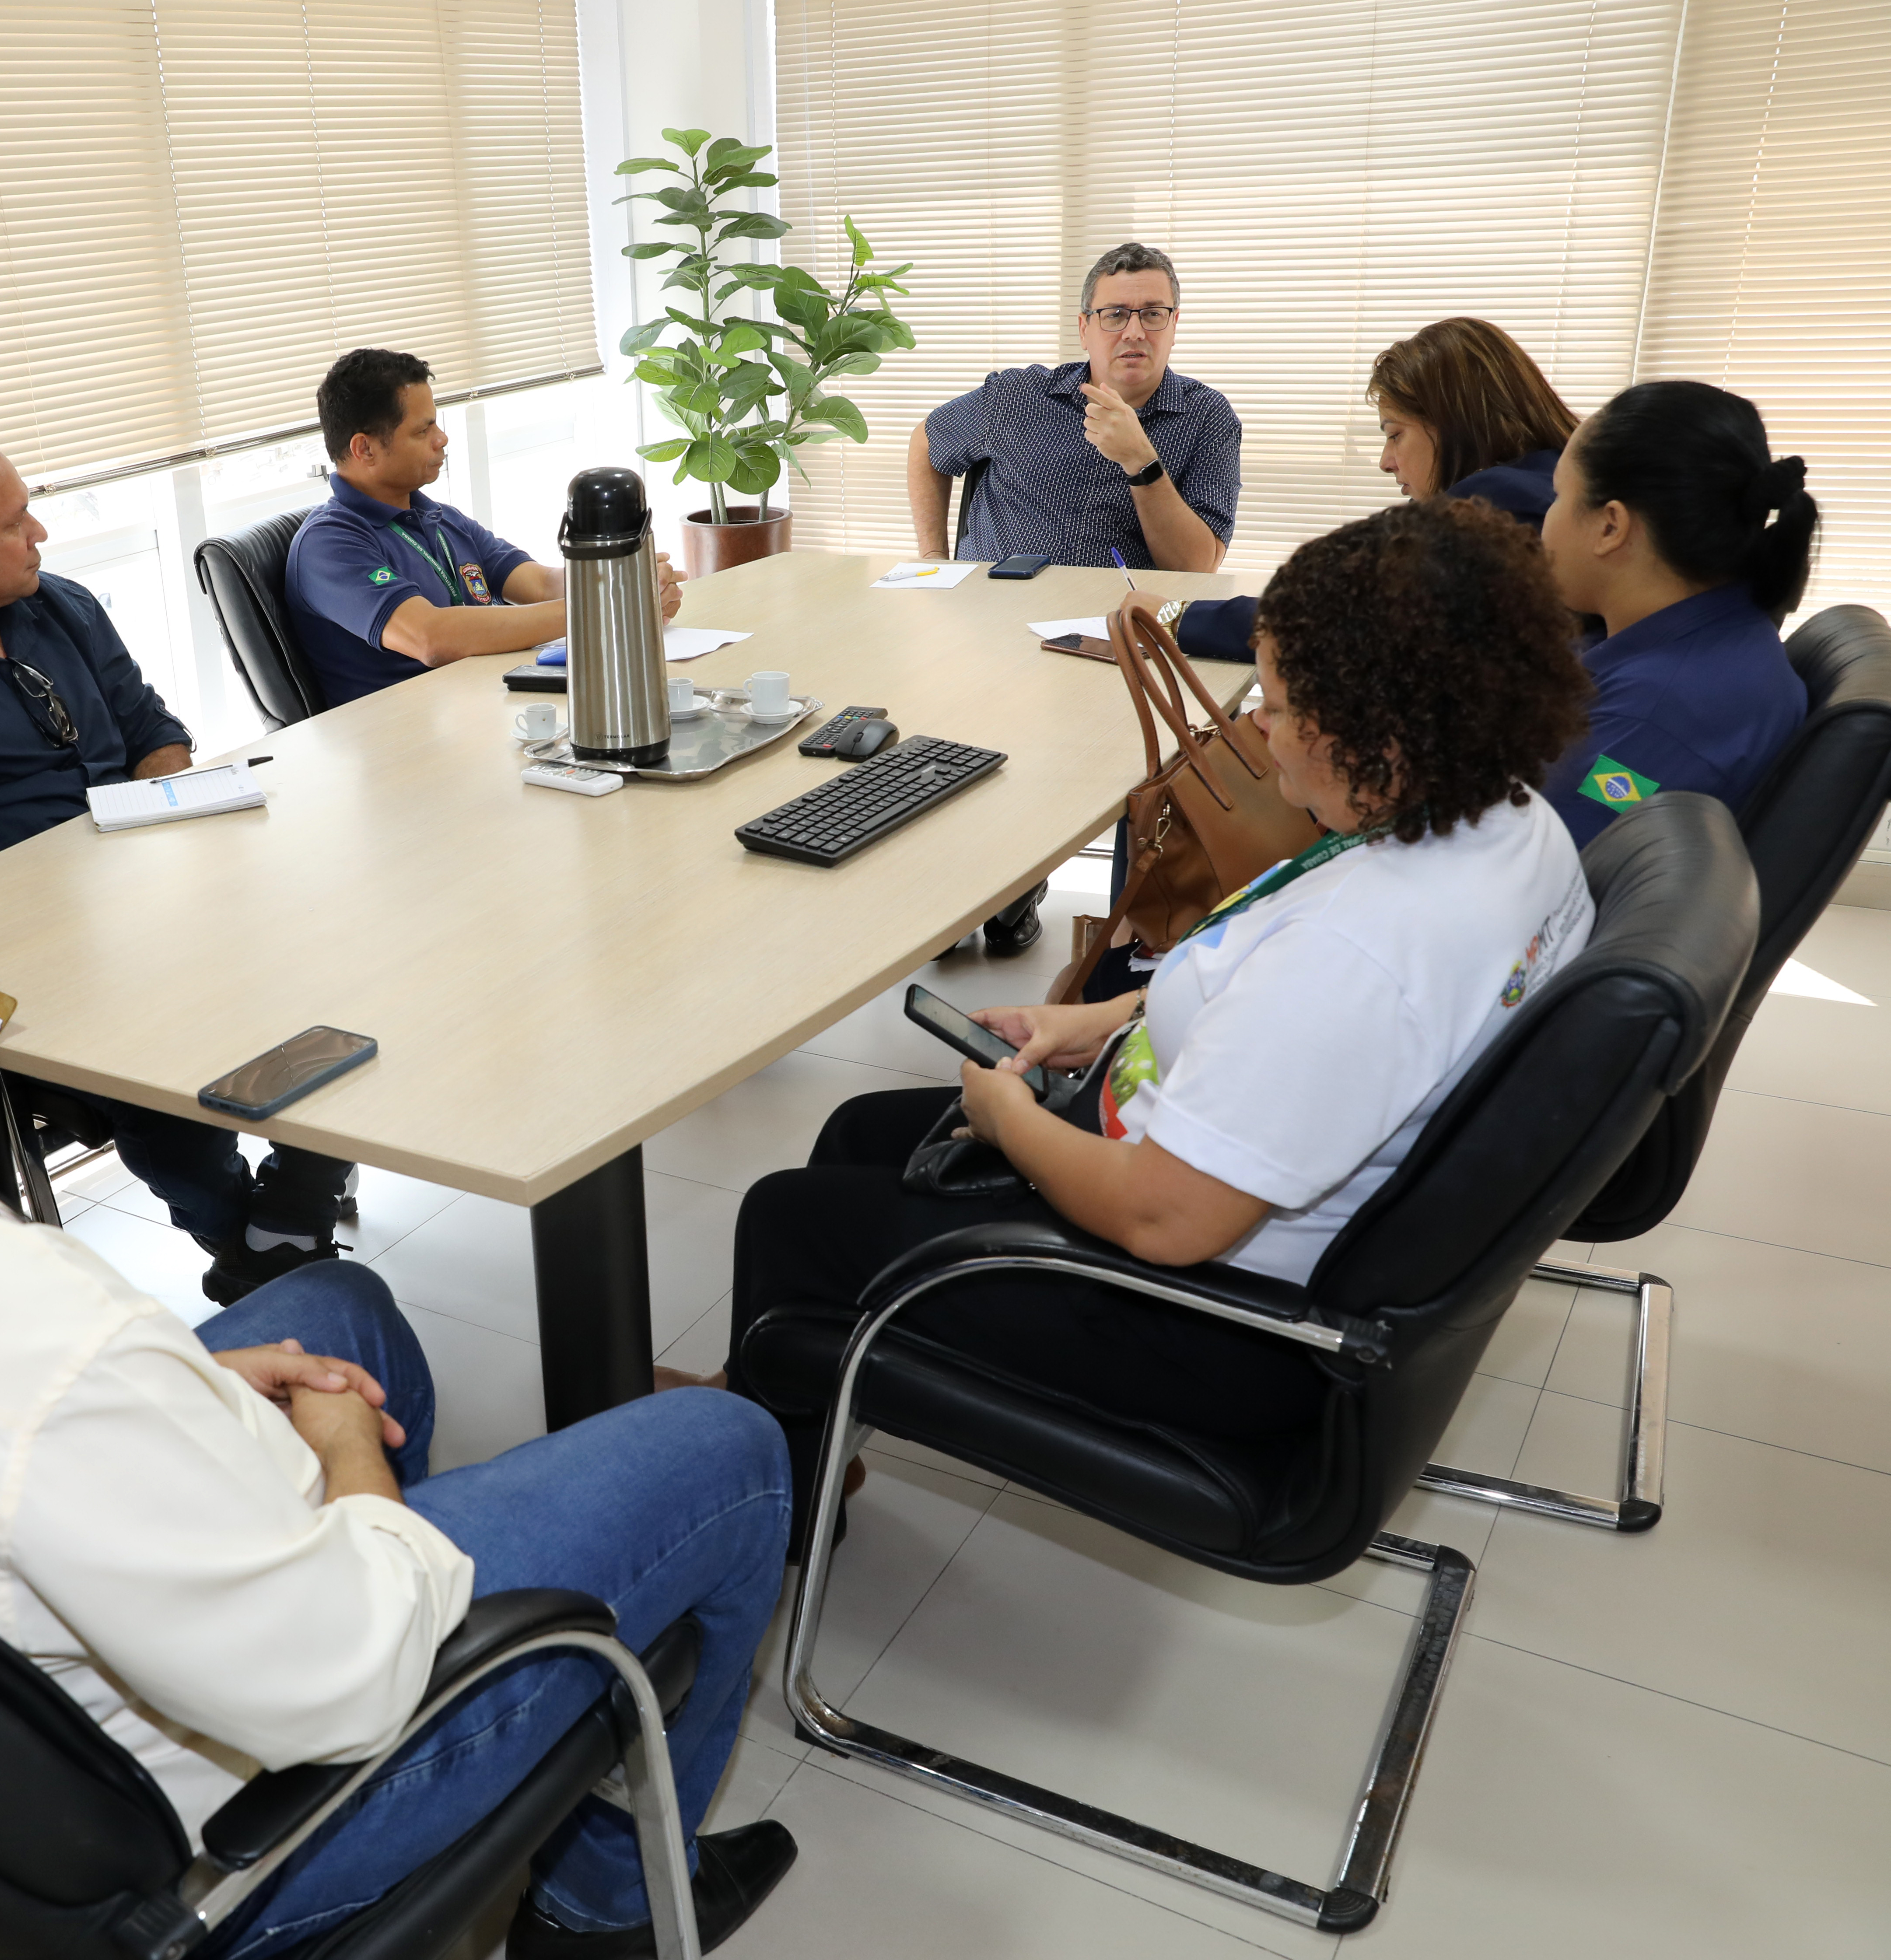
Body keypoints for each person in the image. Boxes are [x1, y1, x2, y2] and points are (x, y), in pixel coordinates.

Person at [0, 686, 798, 1960]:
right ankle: (607, 1911)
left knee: (343, 1307)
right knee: (724, 1448)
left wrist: (181, 1392)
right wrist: (345, 1459)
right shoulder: (31, 1349)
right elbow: (348, 1673)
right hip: (202, 1854)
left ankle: (438, 1689)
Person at [725, 499, 1595, 1532]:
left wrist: (1014, 1123)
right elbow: (1278, 984)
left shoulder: (1363, 958)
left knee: (787, 1218)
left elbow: (1163, 1219)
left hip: (1211, 1325)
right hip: (1233, 1196)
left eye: (1279, 705)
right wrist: (1109, 1018)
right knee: (858, 1134)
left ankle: (746, 1515)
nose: (1257, 725)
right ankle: (803, 1440)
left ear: (1378, 736)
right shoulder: (1509, 822)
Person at [0, 430, 354, 1303]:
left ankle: (295, 1199)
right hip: (15, 938)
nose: (40, 535)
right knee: (157, 1056)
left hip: (143, 887)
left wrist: (160, 815)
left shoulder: (62, 607)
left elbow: (154, 732)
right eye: (16, 522)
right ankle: (241, 1224)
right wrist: (52, 887)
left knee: (343, 939)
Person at [1160, 315, 1577, 662]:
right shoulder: (1553, 477)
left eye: (1395, 435)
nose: (1385, 461)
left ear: (1455, 426)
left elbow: (1336, 621)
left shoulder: (1499, 504)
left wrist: (1175, 618)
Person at [285, 348, 681, 708]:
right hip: (411, 740)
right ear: (365, 449)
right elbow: (431, 638)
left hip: (485, 708)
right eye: (423, 431)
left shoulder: (440, 517)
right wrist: (605, 608)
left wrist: (626, 582)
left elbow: (539, 583)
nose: (442, 439)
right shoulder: (329, 544)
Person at [1536, 379, 1815, 850]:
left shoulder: (1653, 716)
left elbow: (1537, 857)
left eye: (1559, 494)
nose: (1547, 516)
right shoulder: (1716, 632)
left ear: (1610, 526)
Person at [906, 242, 1242, 575]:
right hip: (994, 600)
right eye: (1115, 315)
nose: (1135, 333)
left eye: (1153, 314)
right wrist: (934, 557)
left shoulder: (1207, 416)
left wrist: (1141, 460)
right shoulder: (1016, 394)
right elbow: (926, 442)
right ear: (1084, 330)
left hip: (1120, 608)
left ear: (1174, 325)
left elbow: (1197, 567)